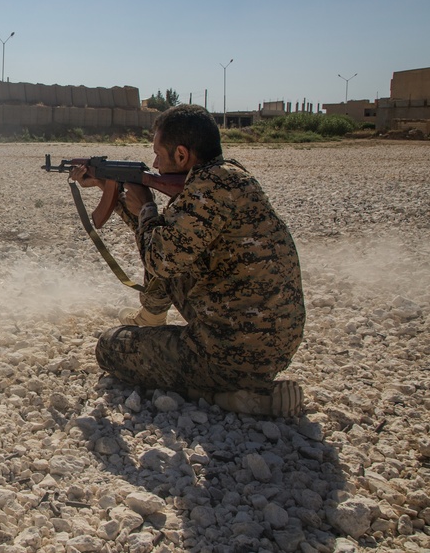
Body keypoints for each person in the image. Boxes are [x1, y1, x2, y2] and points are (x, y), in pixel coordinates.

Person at [70, 104, 306, 417]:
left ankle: (223, 394)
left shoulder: (205, 190)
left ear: (181, 155)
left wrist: (146, 208)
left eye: (158, 154)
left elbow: (160, 259)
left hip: (229, 354)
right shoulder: (228, 177)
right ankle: (154, 318)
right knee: (163, 238)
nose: (154, 162)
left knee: (110, 346)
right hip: (275, 345)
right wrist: (109, 188)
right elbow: (165, 238)